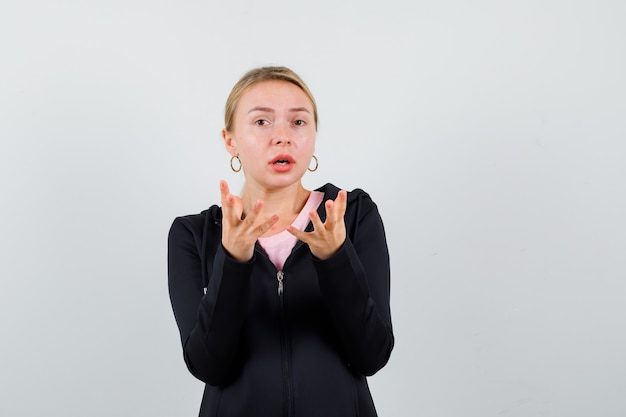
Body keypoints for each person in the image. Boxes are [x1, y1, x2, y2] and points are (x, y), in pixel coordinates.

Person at [168, 66, 394, 417]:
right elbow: (209, 366)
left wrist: (335, 258)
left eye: (298, 122)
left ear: (314, 136)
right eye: (262, 122)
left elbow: (372, 355)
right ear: (231, 140)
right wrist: (233, 260)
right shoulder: (195, 234)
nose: (283, 136)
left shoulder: (351, 214)